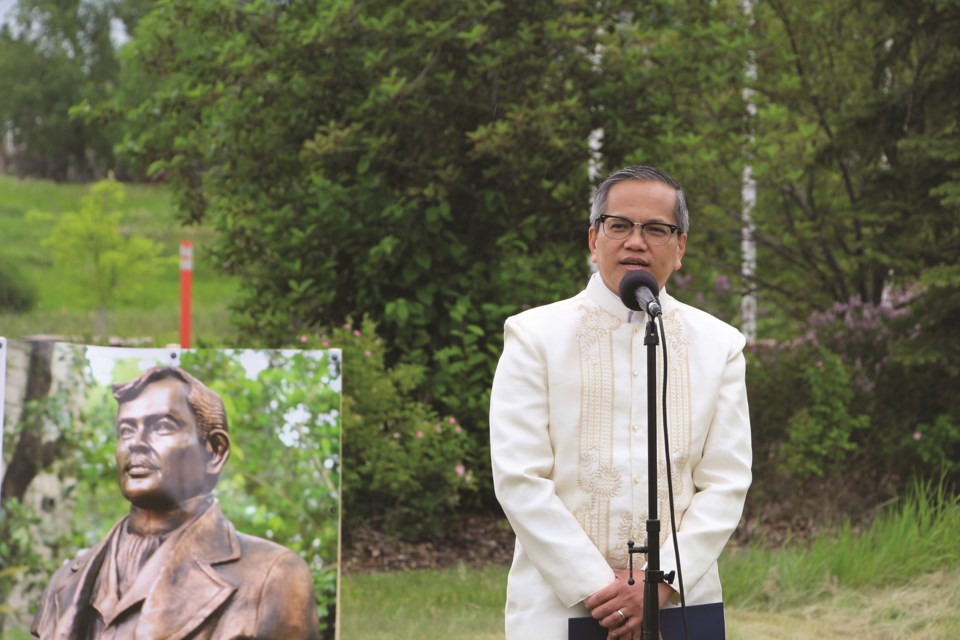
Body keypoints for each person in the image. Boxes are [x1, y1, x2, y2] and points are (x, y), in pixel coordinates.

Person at [490, 165, 752, 640]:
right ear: (594, 240)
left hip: (680, 602)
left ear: (681, 248)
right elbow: (519, 478)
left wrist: (659, 584)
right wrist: (599, 589)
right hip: (560, 601)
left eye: (656, 229)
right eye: (619, 226)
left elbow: (726, 482)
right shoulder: (533, 337)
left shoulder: (720, 345)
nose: (636, 242)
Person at [32, 366, 321, 639]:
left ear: (215, 451)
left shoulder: (274, 575)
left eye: (161, 426)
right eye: (126, 431)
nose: (137, 443)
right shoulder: (65, 583)